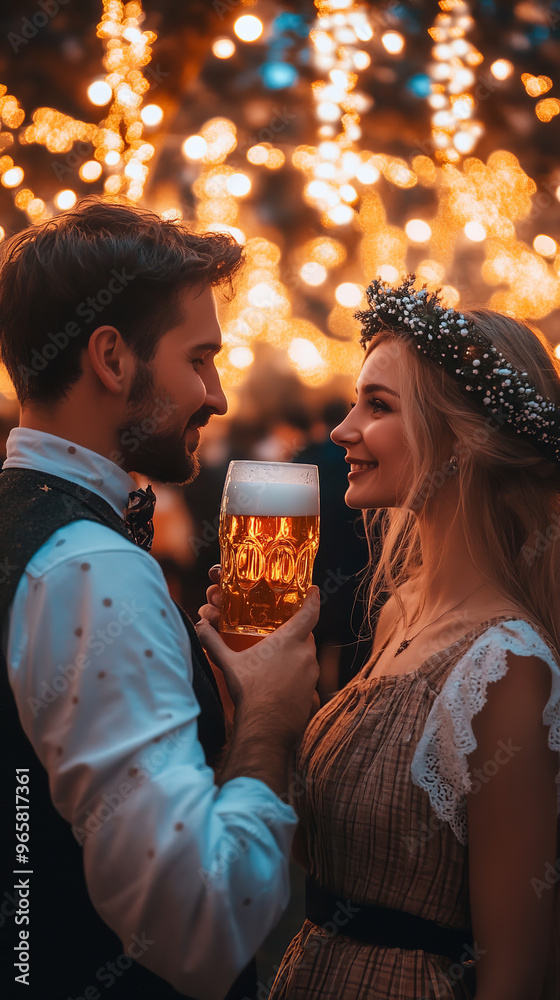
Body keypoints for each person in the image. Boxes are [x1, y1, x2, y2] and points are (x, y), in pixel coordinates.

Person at [199, 277, 560, 999]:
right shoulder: (402, 610)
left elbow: (517, 975)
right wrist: (254, 704)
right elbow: (334, 854)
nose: (341, 431)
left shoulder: (506, 664)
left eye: (379, 405)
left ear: (466, 439)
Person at [0, 198, 320, 1000]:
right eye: (200, 359)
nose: (215, 395)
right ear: (112, 358)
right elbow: (196, 925)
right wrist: (266, 729)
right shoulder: (92, 570)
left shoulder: (29, 525)